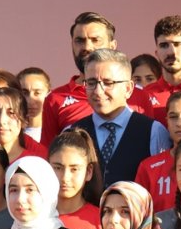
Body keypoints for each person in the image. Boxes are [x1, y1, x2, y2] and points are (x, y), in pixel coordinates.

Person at [40, 11, 154, 145]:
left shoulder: (139, 96)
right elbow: (48, 155)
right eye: (80, 41)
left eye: (95, 40)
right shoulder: (55, 99)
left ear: (113, 46)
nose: (87, 47)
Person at [72, 49, 172, 188]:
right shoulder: (73, 132)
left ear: (128, 88)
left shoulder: (153, 132)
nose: (98, 91)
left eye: (108, 83)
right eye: (91, 82)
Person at [49, 129, 104, 229]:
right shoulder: (33, 217)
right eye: (57, 168)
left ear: (89, 171)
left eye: (74, 169)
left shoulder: (101, 220)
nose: (65, 177)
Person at [147, 15, 181, 126]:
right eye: (164, 45)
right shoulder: (145, 95)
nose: (171, 52)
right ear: (157, 53)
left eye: (177, 44)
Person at [18, 67, 52, 143]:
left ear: (48, 94)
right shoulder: (10, 134)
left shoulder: (56, 133)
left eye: (37, 93)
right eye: (25, 93)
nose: (30, 101)